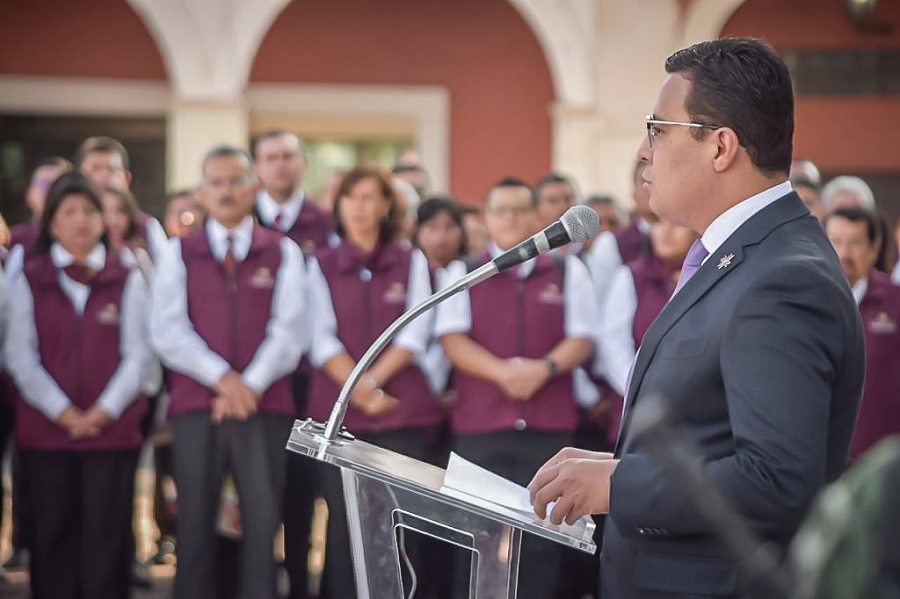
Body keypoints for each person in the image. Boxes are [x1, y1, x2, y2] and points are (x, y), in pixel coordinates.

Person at [529, 37, 865, 599]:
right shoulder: (747, 254)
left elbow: (777, 479)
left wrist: (618, 483)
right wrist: (610, 464)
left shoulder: (783, 277)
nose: (643, 150)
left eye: (657, 128)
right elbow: (708, 430)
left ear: (721, 147)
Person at [150, 144, 307, 599]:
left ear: (253, 187)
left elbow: (290, 331)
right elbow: (167, 330)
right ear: (201, 192)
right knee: (195, 523)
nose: (225, 191)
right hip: (200, 407)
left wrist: (248, 385)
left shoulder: (283, 251)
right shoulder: (181, 252)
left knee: (261, 523)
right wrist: (224, 379)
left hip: (264, 407)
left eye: (235, 180)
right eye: (215, 182)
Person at [435, 177, 597, 599]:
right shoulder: (464, 270)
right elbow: (452, 338)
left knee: (543, 544)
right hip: (481, 427)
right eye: (501, 210)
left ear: (536, 217)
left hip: (548, 429)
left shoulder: (566, 269)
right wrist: (502, 373)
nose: (510, 218)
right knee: (473, 539)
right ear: (486, 219)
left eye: (520, 210)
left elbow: (582, 338)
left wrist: (543, 369)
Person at [4, 172, 151, 599]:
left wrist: (103, 411)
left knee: (107, 538)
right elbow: (20, 355)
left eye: (90, 210)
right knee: (52, 536)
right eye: (69, 212)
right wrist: (64, 413)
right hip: (46, 434)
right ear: (51, 223)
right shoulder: (29, 278)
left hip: (112, 432)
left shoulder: (128, 277)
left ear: (105, 220)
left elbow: (138, 356)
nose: (81, 220)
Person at [306, 166, 439, 599]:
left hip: (402, 413)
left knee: (402, 530)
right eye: (352, 198)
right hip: (342, 418)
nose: (360, 208)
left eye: (370, 198)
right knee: (346, 529)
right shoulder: (321, 264)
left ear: (387, 205)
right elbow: (319, 337)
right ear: (339, 205)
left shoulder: (410, 259)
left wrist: (375, 381)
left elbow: (415, 331)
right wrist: (359, 390)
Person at [252, 129, 334, 599]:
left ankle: (302, 585)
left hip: (308, 383)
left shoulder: (325, 223)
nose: (280, 165)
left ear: (302, 163)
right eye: (270, 158)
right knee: (254, 496)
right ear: (257, 167)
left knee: (303, 494)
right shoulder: (241, 220)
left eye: (288, 157)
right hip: (253, 385)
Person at [825, 207, 900, 463]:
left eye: (855, 242)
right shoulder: (806, 302)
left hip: (880, 463)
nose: (844, 254)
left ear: (875, 247)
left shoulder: (895, 302)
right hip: (819, 460)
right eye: (835, 241)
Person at [75, 136, 168, 262]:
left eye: (113, 170)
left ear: (126, 179)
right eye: (96, 169)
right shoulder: (67, 225)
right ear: (78, 178)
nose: (105, 175)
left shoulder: (147, 227)